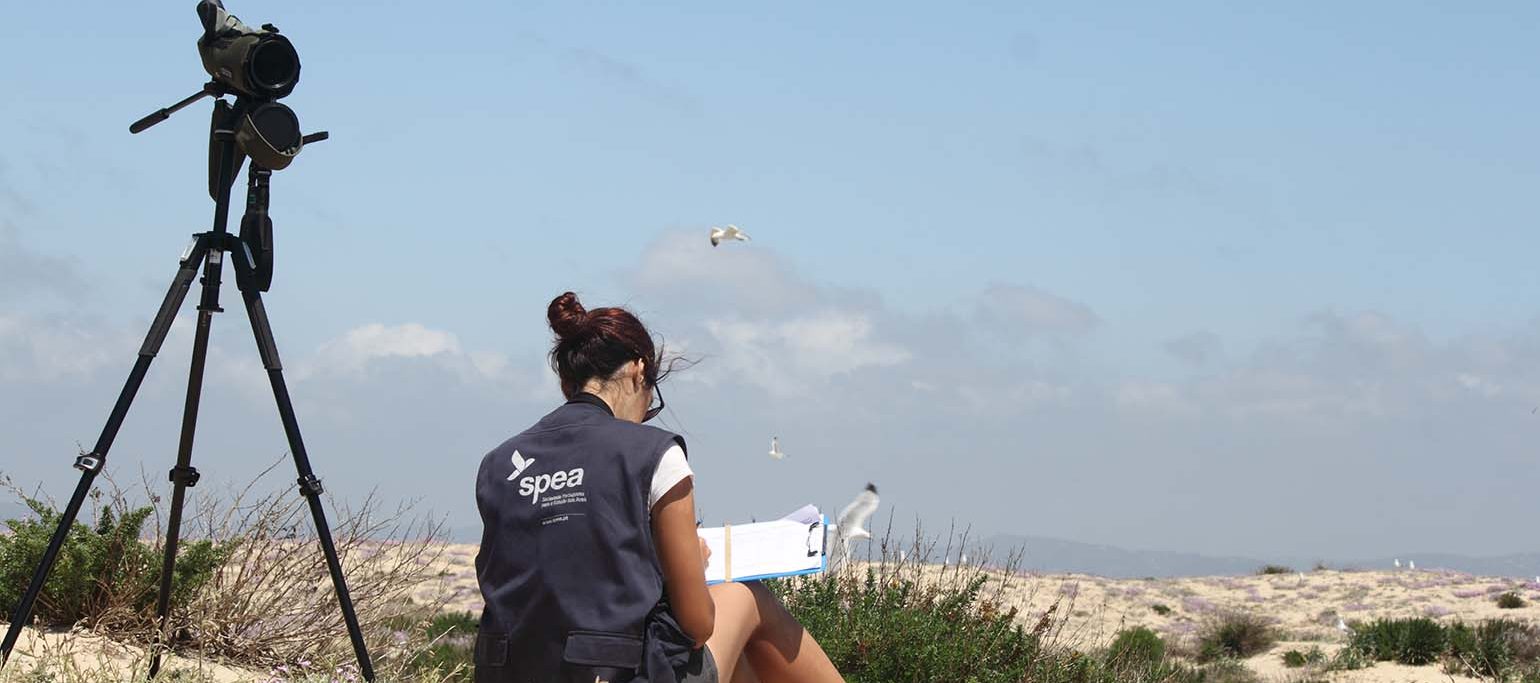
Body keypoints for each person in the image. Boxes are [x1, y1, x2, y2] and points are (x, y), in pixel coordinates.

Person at [474, 292, 845, 683]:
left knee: (741, 663)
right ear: (639, 370)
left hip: (510, 673)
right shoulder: (651, 452)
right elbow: (699, 625)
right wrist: (686, 569)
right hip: (614, 675)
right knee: (748, 597)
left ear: (568, 384)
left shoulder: (498, 465)